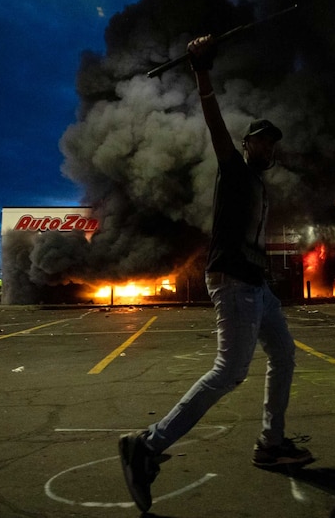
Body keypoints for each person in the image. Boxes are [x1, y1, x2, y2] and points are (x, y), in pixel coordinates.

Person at [118, 34, 313, 513]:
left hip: (257, 286)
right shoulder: (234, 168)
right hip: (233, 281)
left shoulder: (262, 187)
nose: (268, 146)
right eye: (261, 139)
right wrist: (201, 71)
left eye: (273, 142)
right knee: (229, 372)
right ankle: (148, 444)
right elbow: (214, 121)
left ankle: (271, 442)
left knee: (284, 355)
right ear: (248, 145)